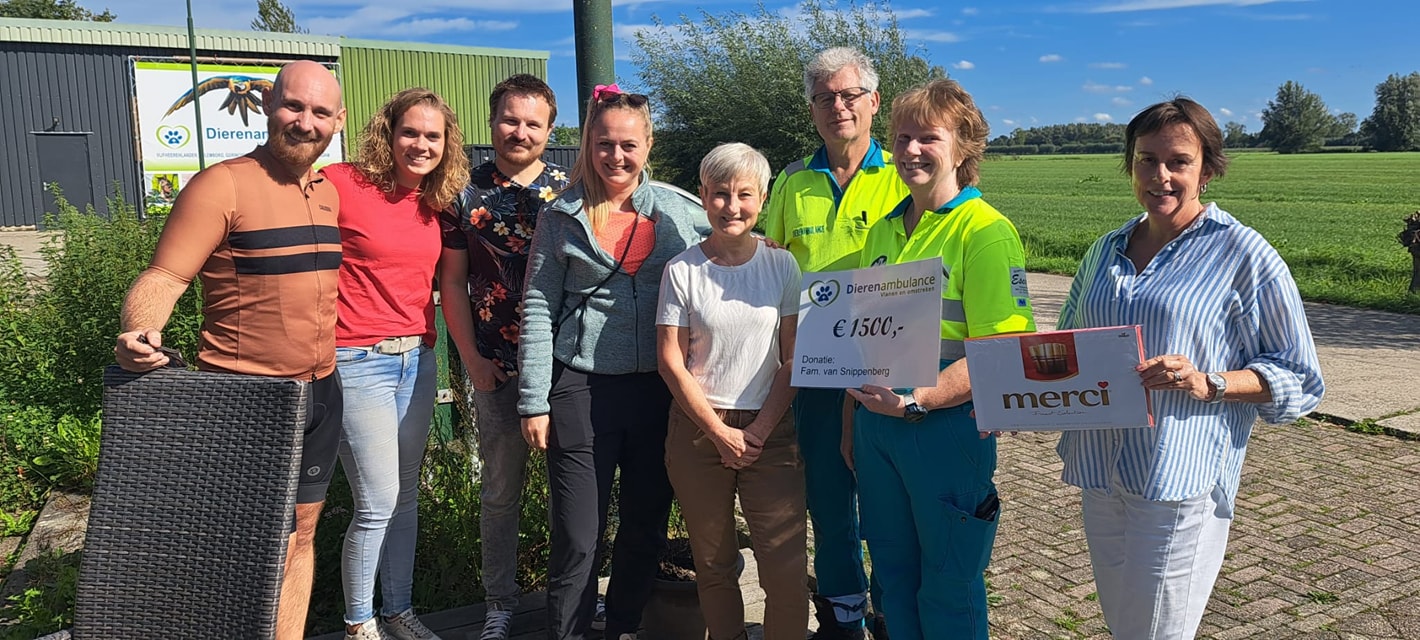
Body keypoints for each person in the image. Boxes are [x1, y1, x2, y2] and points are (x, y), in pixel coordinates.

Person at [1054, 97, 1324, 640]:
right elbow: (1065, 349)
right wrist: (1008, 396)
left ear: (1207, 166)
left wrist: (1209, 381)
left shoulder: (1243, 253)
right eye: (1146, 159)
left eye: (1178, 160)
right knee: (1121, 623)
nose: (1161, 176)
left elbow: (1298, 375)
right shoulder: (1105, 251)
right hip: (1100, 472)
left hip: (1178, 479)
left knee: (1155, 632)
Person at [113, 60, 347, 640]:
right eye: (294, 106)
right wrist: (138, 332)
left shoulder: (327, 192)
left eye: (320, 113)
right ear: (269, 104)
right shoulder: (223, 184)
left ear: (337, 121)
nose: (305, 122)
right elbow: (165, 276)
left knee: (301, 537)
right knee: (235, 554)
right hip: (245, 396)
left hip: (319, 390)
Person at [844, 78, 1033, 640]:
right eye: (902, 137)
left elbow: (999, 350)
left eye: (928, 137)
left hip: (946, 428)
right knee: (893, 581)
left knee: (950, 586)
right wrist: (853, 423)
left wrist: (917, 402)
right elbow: (864, 340)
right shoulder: (881, 230)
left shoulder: (987, 232)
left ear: (964, 146)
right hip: (879, 428)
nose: (910, 151)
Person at [517, 84, 708, 640]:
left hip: (658, 390)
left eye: (629, 144)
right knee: (579, 535)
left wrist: (766, 249)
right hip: (580, 389)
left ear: (648, 144)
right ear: (587, 145)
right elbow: (536, 306)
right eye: (604, 144)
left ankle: (623, 624)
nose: (616, 157)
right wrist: (534, 399)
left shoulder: (681, 214)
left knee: (645, 525)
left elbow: (729, 253)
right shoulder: (562, 217)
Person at [759, 46, 909, 640]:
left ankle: (894, 609)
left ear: (873, 102)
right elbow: (768, 270)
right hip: (816, 369)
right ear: (812, 108)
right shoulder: (792, 183)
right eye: (824, 98)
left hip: (891, 365)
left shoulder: (904, 173)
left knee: (889, 496)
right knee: (827, 494)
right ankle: (844, 615)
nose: (837, 107)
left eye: (849, 96)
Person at [323, 87, 469, 640]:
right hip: (356, 360)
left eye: (433, 136)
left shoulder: (436, 203)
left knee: (405, 494)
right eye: (410, 132)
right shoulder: (342, 184)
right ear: (388, 132)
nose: (421, 144)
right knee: (377, 500)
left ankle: (399, 612)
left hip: (417, 358)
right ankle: (359, 623)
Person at [657, 143, 807, 640]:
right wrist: (719, 431)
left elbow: (793, 358)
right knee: (715, 560)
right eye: (720, 193)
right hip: (700, 431)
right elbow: (671, 361)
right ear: (703, 196)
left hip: (772, 429)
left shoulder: (783, 267)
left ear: (763, 198)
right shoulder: (682, 271)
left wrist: (759, 429)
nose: (732, 206)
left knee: (784, 565)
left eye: (745, 194)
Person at [439, 73, 568, 640]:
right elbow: (452, 282)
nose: (520, 131)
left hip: (567, 369)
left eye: (533, 123)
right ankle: (500, 602)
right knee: (499, 492)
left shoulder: (573, 189)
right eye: (510, 120)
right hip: (496, 367)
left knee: (575, 491)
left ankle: (576, 594)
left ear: (550, 129)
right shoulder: (462, 191)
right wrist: (472, 362)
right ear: (492, 122)